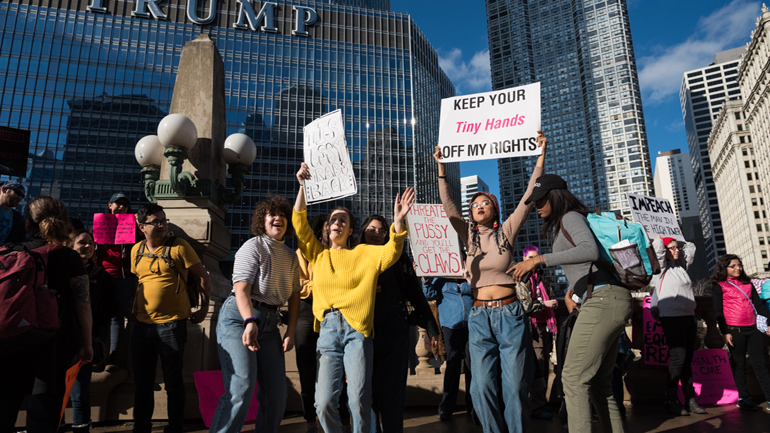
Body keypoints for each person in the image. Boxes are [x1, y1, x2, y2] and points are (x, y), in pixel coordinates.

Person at [432, 131, 547, 433]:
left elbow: (527, 198)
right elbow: (448, 208)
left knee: (514, 389)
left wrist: (540, 158)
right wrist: (442, 169)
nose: (479, 206)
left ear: (495, 210)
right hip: (479, 316)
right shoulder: (468, 237)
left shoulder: (506, 232)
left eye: (485, 203)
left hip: (510, 315)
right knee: (479, 388)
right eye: (475, 204)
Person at [293, 162, 414, 433]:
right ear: (327, 228)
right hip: (326, 332)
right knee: (323, 403)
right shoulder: (317, 254)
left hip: (357, 332)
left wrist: (398, 222)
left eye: (343, 220)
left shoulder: (363, 254)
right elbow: (299, 224)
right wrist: (302, 186)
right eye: (333, 220)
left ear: (350, 230)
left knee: (359, 399)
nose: (337, 223)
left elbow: (391, 252)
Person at [510, 174, 632, 433]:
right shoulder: (569, 220)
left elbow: (589, 251)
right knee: (600, 384)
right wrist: (573, 291)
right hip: (604, 298)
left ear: (554, 196)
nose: (537, 206)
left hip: (603, 300)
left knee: (573, 378)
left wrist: (537, 260)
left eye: (540, 200)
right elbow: (588, 265)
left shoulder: (570, 217)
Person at [0, 197, 93, 432]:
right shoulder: (69, 257)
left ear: (28, 222)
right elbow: (83, 305)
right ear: (64, 223)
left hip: (9, 341)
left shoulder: (10, 251)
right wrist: (87, 343)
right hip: (53, 345)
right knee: (43, 416)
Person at [210, 195, 300, 433]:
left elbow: (293, 297)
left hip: (269, 325)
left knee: (277, 394)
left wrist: (290, 331)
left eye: (282, 215)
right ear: (263, 220)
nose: (277, 218)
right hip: (239, 319)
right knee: (242, 385)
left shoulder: (291, 256)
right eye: (272, 214)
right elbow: (241, 290)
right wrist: (250, 320)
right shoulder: (253, 246)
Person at [130, 203, 211, 433]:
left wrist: (204, 309)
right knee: (142, 384)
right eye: (155, 221)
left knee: (174, 382)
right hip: (142, 326)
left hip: (172, 324)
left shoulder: (179, 246)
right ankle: (141, 427)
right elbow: (139, 282)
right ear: (141, 227)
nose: (162, 224)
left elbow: (203, 277)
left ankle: (175, 427)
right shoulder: (136, 251)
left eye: (163, 219)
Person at [356, 214, 439, 433]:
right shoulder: (352, 255)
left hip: (394, 331)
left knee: (392, 395)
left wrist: (431, 328)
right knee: (366, 393)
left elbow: (415, 292)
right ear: (362, 231)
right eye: (371, 229)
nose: (376, 233)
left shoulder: (398, 257)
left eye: (382, 230)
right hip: (362, 332)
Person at [66, 229, 119, 433]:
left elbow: (112, 307)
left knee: (80, 393)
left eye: (90, 243)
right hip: (61, 338)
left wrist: (95, 324)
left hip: (87, 339)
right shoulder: (62, 271)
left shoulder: (102, 276)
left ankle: (81, 428)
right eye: (81, 243)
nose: (87, 246)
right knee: (56, 390)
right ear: (71, 246)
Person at [649, 235, 705, 416]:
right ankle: (670, 399)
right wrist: (660, 239)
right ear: (664, 251)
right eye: (672, 248)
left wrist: (676, 240)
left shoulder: (681, 267)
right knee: (678, 359)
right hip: (671, 318)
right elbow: (657, 250)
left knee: (687, 360)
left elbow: (691, 246)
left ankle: (690, 400)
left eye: (676, 248)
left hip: (689, 317)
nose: (676, 250)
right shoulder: (660, 269)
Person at [711, 254, 770, 411]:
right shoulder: (719, 286)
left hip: (753, 329)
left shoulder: (747, 283)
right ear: (725, 268)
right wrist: (724, 332)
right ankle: (744, 397)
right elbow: (718, 311)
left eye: (740, 265)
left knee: (760, 364)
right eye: (733, 266)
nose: (738, 268)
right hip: (734, 330)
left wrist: (769, 322)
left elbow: (759, 305)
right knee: (739, 365)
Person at [422, 268, 475, 422]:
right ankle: (447, 407)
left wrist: (469, 278)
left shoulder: (469, 277)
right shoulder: (442, 277)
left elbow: (478, 292)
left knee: (472, 366)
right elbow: (430, 294)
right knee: (453, 366)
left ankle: (473, 406)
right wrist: (426, 279)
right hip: (451, 325)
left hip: (472, 325)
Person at [96, 192, 139, 370]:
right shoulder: (100, 225)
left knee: (117, 316)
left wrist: (138, 224)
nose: (121, 206)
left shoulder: (133, 227)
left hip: (123, 278)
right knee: (100, 317)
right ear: (109, 205)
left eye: (125, 204)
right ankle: (99, 355)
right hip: (102, 276)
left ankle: (114, 355)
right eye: (118, 203)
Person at [295, 214, 329, 433]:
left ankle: (338, 420)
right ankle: (310, 420)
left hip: (331, 314)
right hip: (306, 313)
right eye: (328, 226)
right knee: (306, 370)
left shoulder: (340, 254)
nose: (333, 229)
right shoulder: (302, 253)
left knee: (335, 371)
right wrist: (324, 285)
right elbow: (299, 285)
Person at [522, 245, 558, 420]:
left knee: (544, 366)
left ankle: (541, 403)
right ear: (524, 260)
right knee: (537, 364)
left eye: (536, 258)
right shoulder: (522, 277)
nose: (534, 261)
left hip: (544, 324)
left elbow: (548, 294)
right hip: (531, 326)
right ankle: (536, 406)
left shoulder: (541, 275)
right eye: (530, 258)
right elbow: (525, 305)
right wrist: (545, 304)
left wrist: (551, 303)